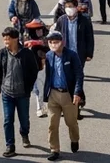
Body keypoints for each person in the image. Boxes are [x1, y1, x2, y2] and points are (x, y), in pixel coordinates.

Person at [0, 27, 40, 158]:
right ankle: (10, 145)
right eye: (4, 39)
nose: (5, 41)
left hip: (22, 94)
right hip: (7, 92)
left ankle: (24, 133)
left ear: (15, 39)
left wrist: (29, 88)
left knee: (24, 119)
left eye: (8, 38)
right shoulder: (2, 53)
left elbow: (34, 71)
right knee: (8, 120)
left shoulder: (26, 54)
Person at [41, 31, 83, 161]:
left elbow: (78, 75)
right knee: (52, 124)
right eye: (51, 42)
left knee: (71, 122)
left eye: (55, 42)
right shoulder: (48, 56)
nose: (53, 44)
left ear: (62, 42)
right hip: (53, 93)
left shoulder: (72, 55)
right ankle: (54, 150)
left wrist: (77, 92)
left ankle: (74, 139)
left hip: (68, 94)